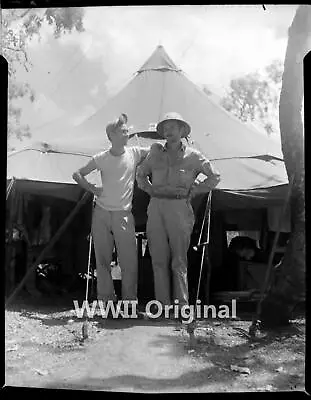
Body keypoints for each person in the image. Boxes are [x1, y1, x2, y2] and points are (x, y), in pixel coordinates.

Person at [136, 112, 221, 315]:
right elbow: (140, 174)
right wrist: (150, 190)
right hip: (156, 206)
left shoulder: (193, 155)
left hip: (180, 208)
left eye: (173, 127)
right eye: (165, 128)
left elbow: (215, 176)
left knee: (179, 259)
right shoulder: (154, 153)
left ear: (183, 130)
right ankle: (162, 307)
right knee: (158, 258)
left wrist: (196, 190)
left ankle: (182, 306)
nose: (168, 132)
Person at [72, 113, 149, 312]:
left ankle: (129, 303)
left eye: (127, 131)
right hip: (102, 213)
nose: (128, 134)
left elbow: (156, 150)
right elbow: (77, 174)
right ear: (112, 135)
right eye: (123, 131)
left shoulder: (134, 153)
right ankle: (107, 301)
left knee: (129, 260)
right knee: (103, 259)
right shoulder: (101, 158)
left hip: (124, 214)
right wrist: (93, 189)